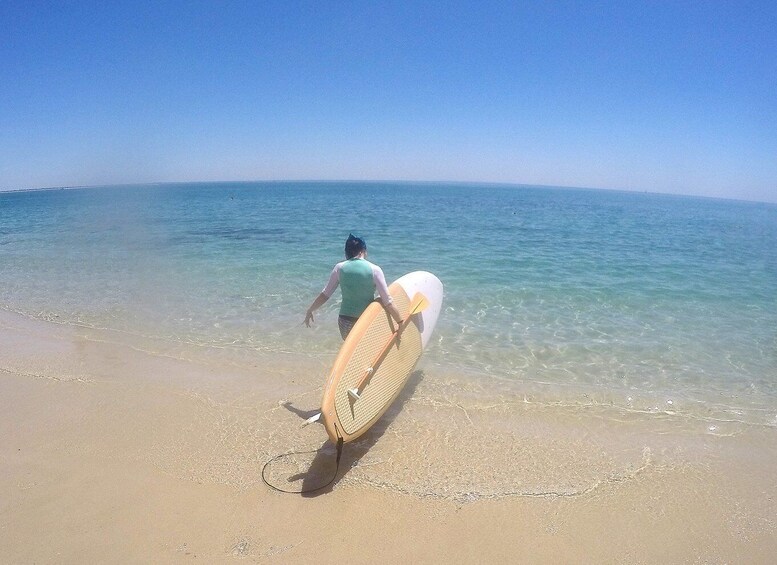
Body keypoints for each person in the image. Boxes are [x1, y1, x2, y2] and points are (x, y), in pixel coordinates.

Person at [305, 234, 402, 339]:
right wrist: (400, 322)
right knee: (366, 350)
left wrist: (310, 309)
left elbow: (325, 294)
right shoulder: (375, 270)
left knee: (353, 353)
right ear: (362, 251)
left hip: (344, 321)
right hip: (365, 321)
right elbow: (387, 301)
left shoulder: (339, 268)